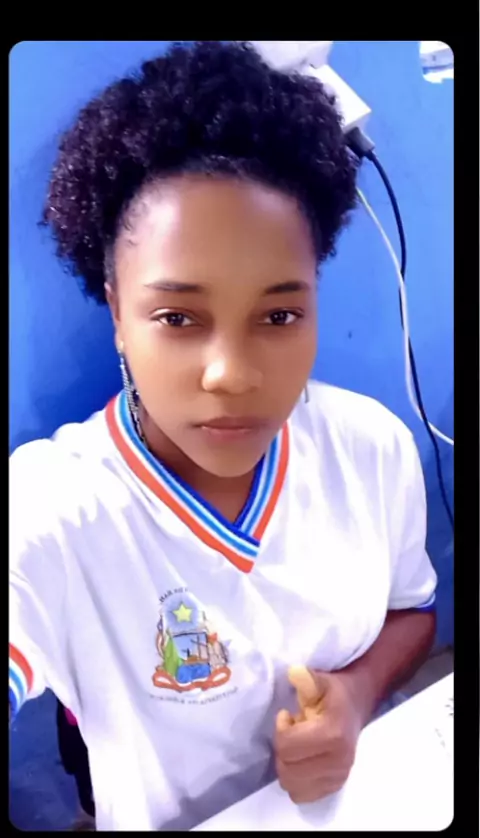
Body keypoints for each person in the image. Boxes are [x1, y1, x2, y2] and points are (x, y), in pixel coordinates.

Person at [9, 41, 437, 831]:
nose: (232, 374)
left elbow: (413, 615)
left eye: (279, 314)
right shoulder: (60, 509)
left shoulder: (371, 447)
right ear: (118, 314)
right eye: (178, 317)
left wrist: (354, 695)